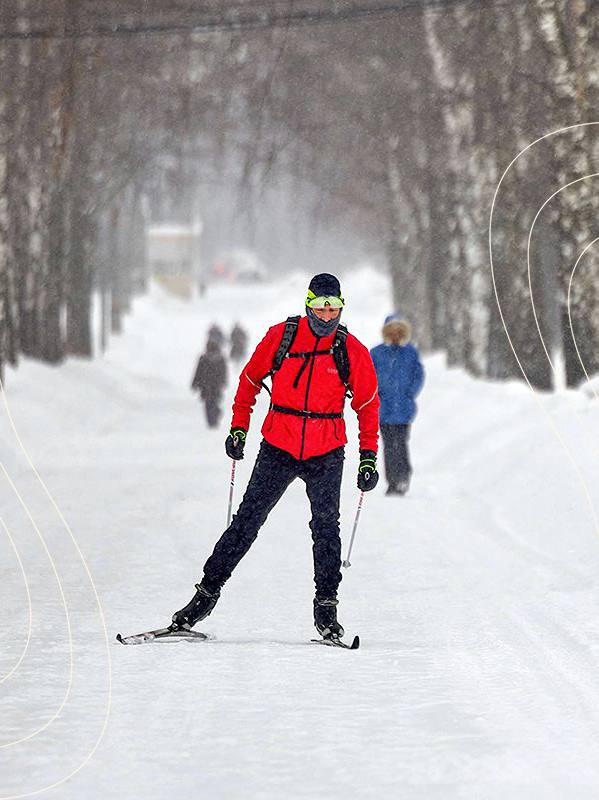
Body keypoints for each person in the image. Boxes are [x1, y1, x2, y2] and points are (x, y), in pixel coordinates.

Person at [171, 273, 380, 640]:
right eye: (320, 307)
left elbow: (367, 405)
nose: (327, 316)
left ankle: (326, 610)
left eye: (334, 308)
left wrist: (368, 457)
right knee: (247, 522)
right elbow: (250, 381)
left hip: (326, 451)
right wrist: (238, 428)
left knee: (326, 529)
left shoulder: (351, 350)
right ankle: (203, 597)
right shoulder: (281, 337)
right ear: (308, 304)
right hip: (279, 446)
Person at [370, 313, 424, 496]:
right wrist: (377, 397)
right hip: (383, 410)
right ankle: (392, 481)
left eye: (399, 330)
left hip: (403, 410)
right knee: (388, 445)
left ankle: (403, 477)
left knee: (400, 443)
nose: (395, 334)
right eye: (392, 330)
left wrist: (409, 394)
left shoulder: (410, 352)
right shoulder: (376, 353)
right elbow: (369, 378)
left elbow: (418, 374)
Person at [191, 340, 228, 428]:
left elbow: (198, 372)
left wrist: (195, 383)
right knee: (213, 402)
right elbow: (223, 372)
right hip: (215, 385)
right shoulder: (220, 359)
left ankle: (212, 421)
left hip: (206, 385)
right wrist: (223, 381)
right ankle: (214, 418)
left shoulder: (204, 358)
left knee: (208, 403)